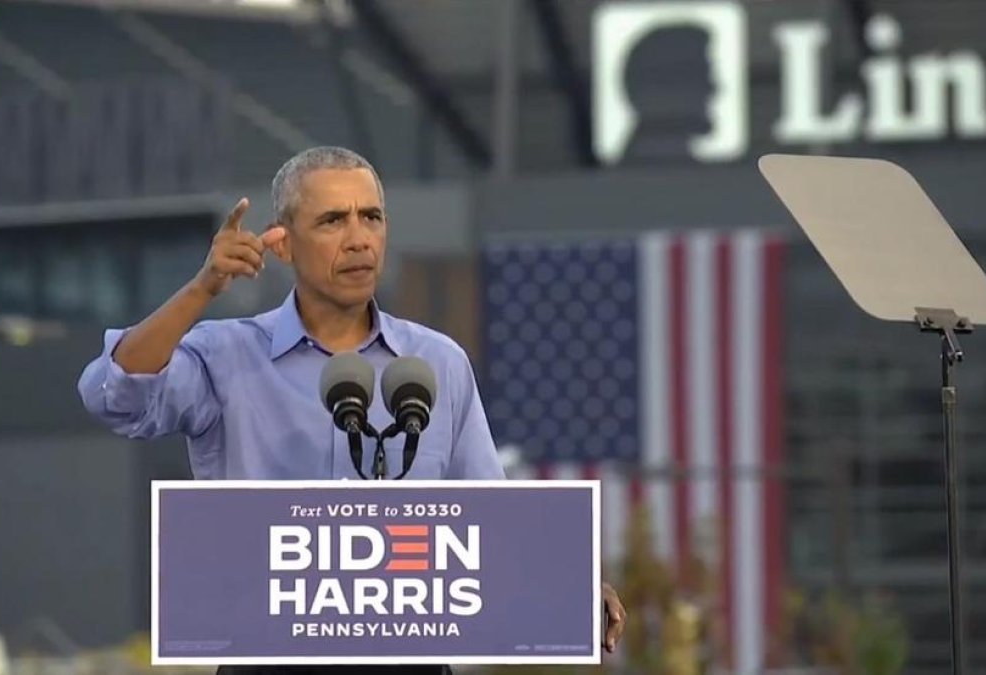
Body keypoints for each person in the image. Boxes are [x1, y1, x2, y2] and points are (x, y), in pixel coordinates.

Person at [77, 147, 626, 674]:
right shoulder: (227, 356)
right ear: (284, 244)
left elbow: (489, 519)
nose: (360, 239)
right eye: (333, 221)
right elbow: (115, 395)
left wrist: (566, 582)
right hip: (266, 661)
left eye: (372, 217)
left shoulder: (436, 362)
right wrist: (203, 288)